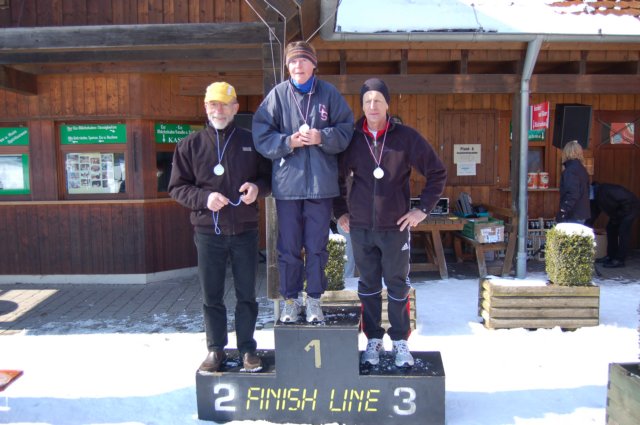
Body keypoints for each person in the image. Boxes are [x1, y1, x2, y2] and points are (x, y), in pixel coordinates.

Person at [334, 78, 447, 368]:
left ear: (387, 104)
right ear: (362, 105)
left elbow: (437, 172)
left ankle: (400, 340)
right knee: (368, 285)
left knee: (397, 285)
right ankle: (373, 338)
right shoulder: (351, 139)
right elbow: (336, 177)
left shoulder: (406, 138)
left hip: (396, 227)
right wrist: (340, 212)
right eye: (367, 101)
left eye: (378, 100)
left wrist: (422, 210)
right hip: (360, 227)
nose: (373, 106)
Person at [168, 82, 272, 373]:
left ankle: (247, 349)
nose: (219, 110)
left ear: (235, 108)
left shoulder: (251, 141)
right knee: (211, 296)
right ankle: (215, 350)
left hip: (244, 231)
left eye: (225, 104)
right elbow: (177, 187)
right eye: (213, 104)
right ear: (206, 107)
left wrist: (257, 188)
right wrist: (204, 198)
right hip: (207, 233)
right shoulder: (189, 145)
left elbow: (269, 178)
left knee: (247, 295)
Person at [252, 41, 354, 323]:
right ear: (288, 66)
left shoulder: (329, 94)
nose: (298, 66)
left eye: (303, 60)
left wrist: (323, 137)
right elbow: (261, 135)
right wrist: (288, 142)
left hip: (321, 187)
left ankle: (314, 301)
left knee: (317, 248)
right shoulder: (277, 96)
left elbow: (346, 130)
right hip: (287, 188)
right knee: (288, 248)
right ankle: (291, 300)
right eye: (293, 62)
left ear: (313, 64)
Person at [587, 181, 640, 268]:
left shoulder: (605, 191)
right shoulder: (596, 197)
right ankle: (610, 256)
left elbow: (626, 201)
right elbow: (594, 214)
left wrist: (618, 216)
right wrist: (585, 227)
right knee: (610, 229)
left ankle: (620, 260)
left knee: (623, 233)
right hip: (619, 212)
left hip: (630, 209)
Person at [556, 140, 590, 224]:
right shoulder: (582, 169)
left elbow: (572, 193)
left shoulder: (570, 170)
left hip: (573, 214)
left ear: (566, 153)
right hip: (581, 212)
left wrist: (563, 211)